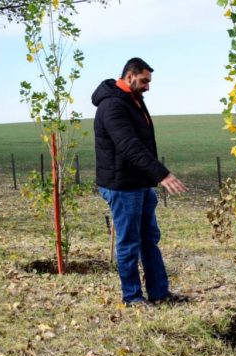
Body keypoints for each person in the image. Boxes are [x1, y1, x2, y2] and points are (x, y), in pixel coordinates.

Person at [92, 57, 189, 307]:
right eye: (144, 81)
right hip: (122, 186)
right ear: (129, 76)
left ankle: (159, 293)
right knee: (129, 243)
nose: (148, 86)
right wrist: (162, 174)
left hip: (140, 184)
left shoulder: (134, 101)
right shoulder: (112, 106)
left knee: (149, 239)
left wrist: (151, 177)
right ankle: (132, 297)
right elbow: (128, 145)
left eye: (149, 81)